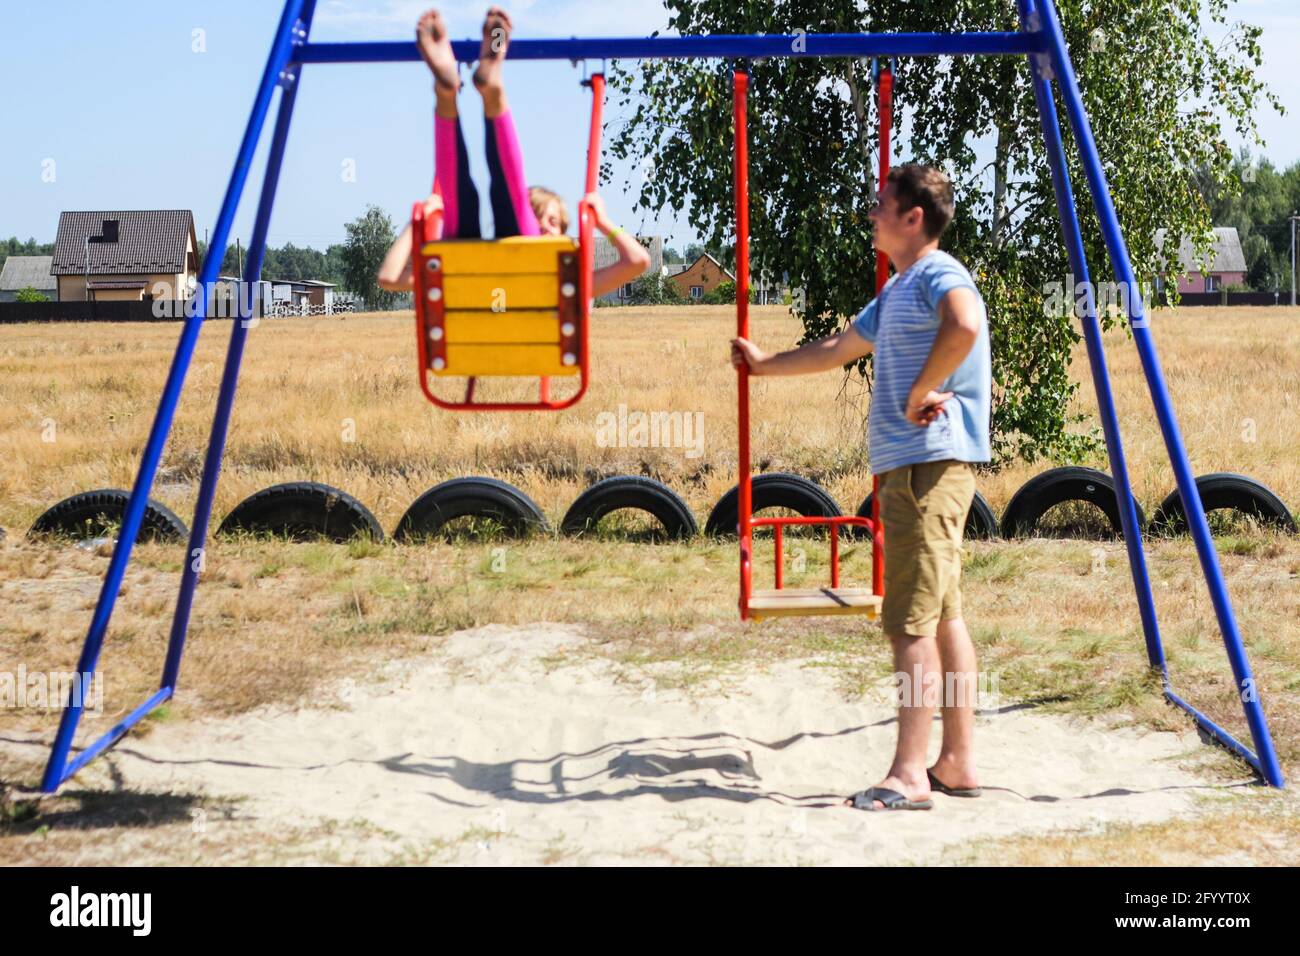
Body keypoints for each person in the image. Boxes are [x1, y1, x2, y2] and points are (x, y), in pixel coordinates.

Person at [730, 163, 992, 812]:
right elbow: (839, 346)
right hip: (917, 467)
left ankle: (908, 775)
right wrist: (765, 368)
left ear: (913, 217)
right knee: (943, 615)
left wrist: (923, 389)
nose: (872, 214)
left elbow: (966, 322)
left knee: (908, 622)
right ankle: (955, 760)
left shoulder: (937, 273)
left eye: (882, 205)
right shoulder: (901, 287)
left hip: (928, 467)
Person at [378, 7, 649, 296]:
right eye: (538, 216)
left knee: (464, 220)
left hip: (472, 279)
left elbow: (389, 277)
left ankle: (448, 93)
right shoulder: (570, 286)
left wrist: (417, 221)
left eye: (552, 221)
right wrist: (603, 223)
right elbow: (637, 261)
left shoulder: (466, 278)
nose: (544, 225)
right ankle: (487, 88)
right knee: (491, 221)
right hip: (494, 268)